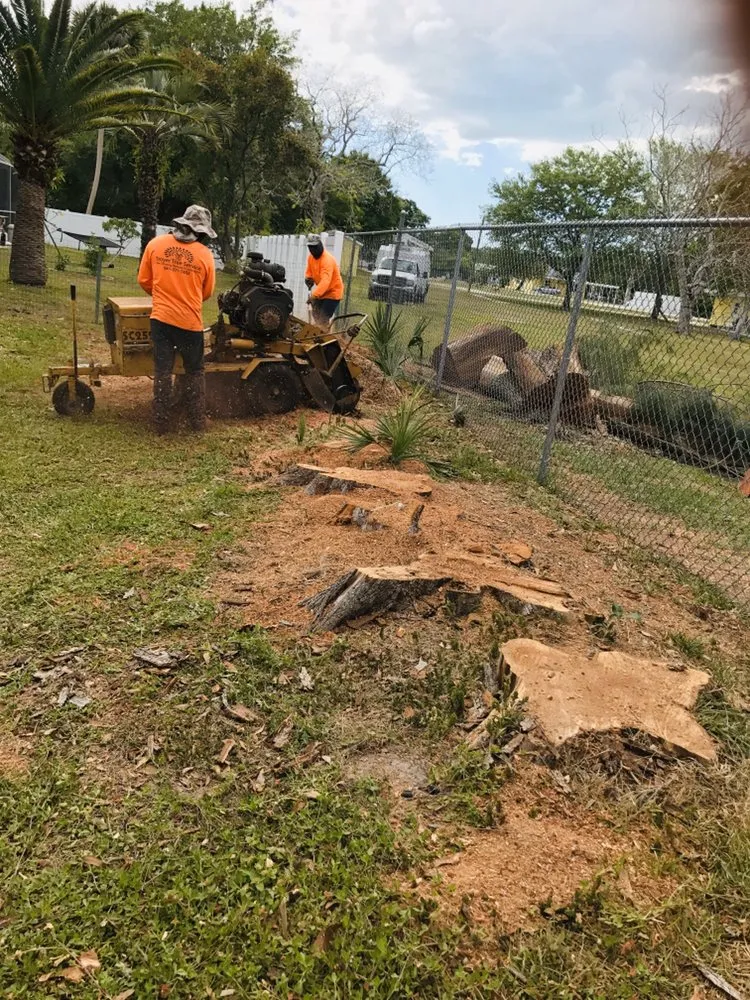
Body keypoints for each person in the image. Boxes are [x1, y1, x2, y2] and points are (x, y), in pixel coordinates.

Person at [137, 205, 216, 434]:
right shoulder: (204, 255)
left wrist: (163, 296)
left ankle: (161, 422)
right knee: (194, 372)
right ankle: (197, 422)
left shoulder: (155, 245)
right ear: (200, 232)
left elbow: (144, 280)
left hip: (160, 320)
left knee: (162, 370)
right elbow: (207, 291)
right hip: (189, 323)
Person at [304, 233, 343, 327]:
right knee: (316, 315)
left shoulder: (327, 260)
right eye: (310, 247)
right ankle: (320, 334)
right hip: (322, 293)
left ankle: (323, 337)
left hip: (333, 293)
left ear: (320, 245)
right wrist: (308, 278)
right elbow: (309, 272)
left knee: (323, 318)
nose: (313, 249)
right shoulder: (311, 258)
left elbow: (325, 281)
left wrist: (314, 296)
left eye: (315, 247)